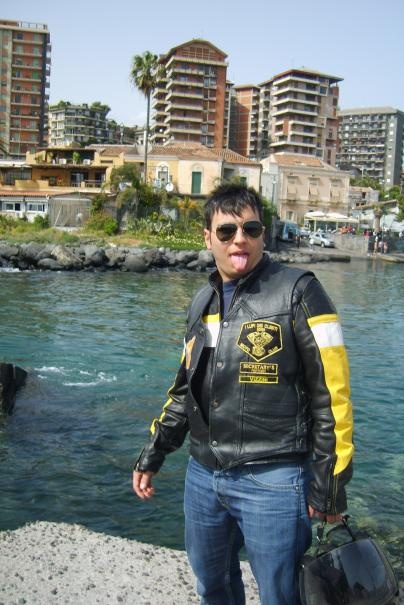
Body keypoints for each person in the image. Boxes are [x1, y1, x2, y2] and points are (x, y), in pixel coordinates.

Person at [133, 183, 354, 605]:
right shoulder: (202, 302)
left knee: (281, 595)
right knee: (212, 585)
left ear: (262, 235)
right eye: (226, 231)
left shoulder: (300, 291)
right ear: (208, 238)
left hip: (274, 478)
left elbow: (332, 396)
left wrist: (328, 485)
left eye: (250, 229)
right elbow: (185, 389)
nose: (240, 239)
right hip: (203, 475)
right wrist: (154, 452)